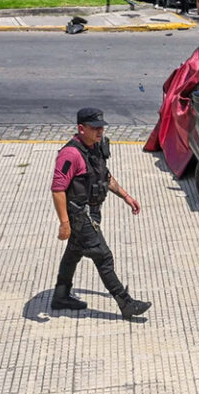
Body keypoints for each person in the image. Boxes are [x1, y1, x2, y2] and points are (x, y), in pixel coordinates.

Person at [50, 108, 152, 319]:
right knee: (103, 256)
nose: (100, 132)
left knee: (74, 252)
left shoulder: (95, 148)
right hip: (80, 216)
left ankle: (60, 296)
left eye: (101, 127)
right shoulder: (70, 155)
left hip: (92, 213)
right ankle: (126, 303)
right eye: (95, 128)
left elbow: (104, 176)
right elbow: (58, 189)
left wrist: (126, 196)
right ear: (81, 128)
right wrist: (64, 223)